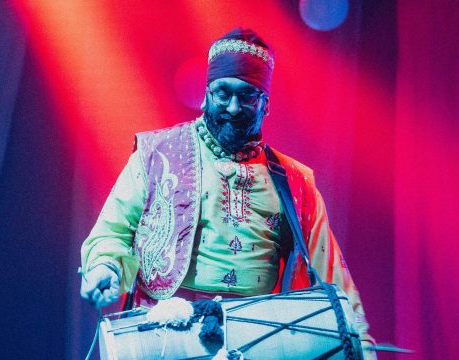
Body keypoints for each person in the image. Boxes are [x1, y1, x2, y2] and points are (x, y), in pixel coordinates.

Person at [80, 28, 376, 357]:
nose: (233, 107)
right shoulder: (156, 154)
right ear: (206, 93)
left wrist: (361, 345)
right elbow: (113, 230)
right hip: (167, 333)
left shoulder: (294, 180)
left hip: (261, 340)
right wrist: (105, 267)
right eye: (222, 93)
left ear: (265, 103)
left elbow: (333, 275)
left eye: (247, 96)